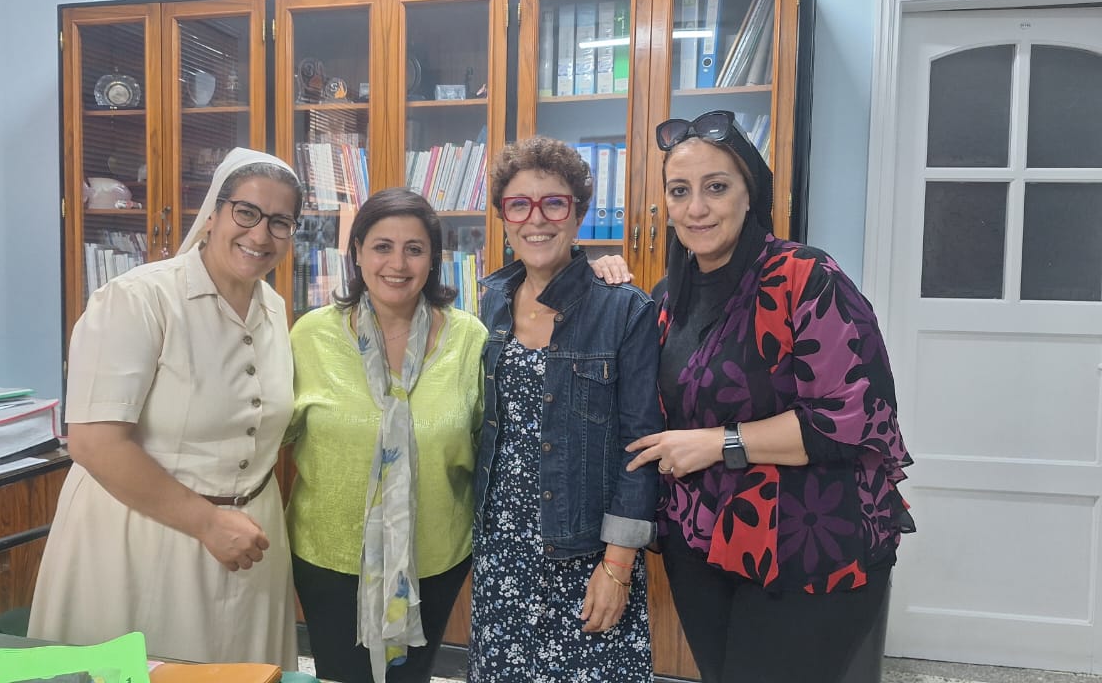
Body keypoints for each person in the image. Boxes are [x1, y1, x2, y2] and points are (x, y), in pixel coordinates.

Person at [626, 110, 915, 683]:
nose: (697, 208)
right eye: (680, 191)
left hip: (808, 549)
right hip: (702, 546)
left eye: (716, 187)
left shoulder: (806, 276)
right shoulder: (667, 298)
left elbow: (855, 416)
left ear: (749, 193)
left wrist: (720, 443)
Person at [29, 148, 303, 667]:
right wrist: (208, 523)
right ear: (214, 213)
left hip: (250, 542)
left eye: (280, 222)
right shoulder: (137, 299)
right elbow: (93, 442)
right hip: (142, 541)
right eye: (246, 212)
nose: (261, 234)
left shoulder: (273, 307)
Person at [467, 136, 663, 682]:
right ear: (503, 218)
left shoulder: (623, 309)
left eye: (554, 203)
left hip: (586, 554)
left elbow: (641, 448)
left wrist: (617, 567)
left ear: (578, 214)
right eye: (519, 204)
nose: (537, 219)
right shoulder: (489, 304)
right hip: (502, 550)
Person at [285, 188, 488, 683]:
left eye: (414, 249)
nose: (397, 264)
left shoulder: (470, 339)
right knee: (340, 675)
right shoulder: (310, 336)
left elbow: (486, 444)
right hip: (330, 557)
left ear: (433, 259)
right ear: (356, 252)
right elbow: (270, 436)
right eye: (382, 247)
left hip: (434, 557)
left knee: (410, 676)